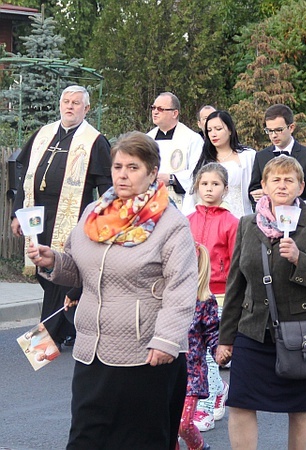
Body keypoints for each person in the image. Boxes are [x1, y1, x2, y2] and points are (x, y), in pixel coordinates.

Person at [27, 131, 198, 449]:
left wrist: (165, 340)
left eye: (133, 167)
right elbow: (77, 269)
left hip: (146, 355)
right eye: (118, 166)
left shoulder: (171, 223)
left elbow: (181, 287)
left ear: (151, 172)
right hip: (92, 350)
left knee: (142, 440)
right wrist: (53, 261)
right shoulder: (95, 212)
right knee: (85, 438)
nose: (123, 174)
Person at [217, 155, 306, 450]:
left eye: (289, 180)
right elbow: (236, 284)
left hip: (302, 334)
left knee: (299, 409)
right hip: (254, 330)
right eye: (275, 179)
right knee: (240, 405)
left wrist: (301, 260)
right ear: (263, 185)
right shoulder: (248, 224)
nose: (282, 185)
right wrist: (226, 339)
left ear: (301, 187)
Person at [11, 85, 112, 347]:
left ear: (87, 108)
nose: (70, 106)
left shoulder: (94, 140)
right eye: (66, 101)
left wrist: (102, 221)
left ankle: (43, 343)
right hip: (37, 213)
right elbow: (24, 177)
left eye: (76, 103)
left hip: (71, 215)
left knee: (58, 271)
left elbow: (105, 186)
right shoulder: (44, 134)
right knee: (41, 270)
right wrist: (16, 214)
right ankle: (71, 327)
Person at [187, 163, 239, 431]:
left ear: (226, 189)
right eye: (204, 184)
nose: (209, 189)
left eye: (215, 184)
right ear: (197, 187)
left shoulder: (231, 223)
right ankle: (218, 390)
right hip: (193, 294)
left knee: (211, 353)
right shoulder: (188, 221)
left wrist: (233, 298)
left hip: (219, 296)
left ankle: (204, 408)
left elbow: (235, 263)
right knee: (195, 354)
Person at [178, 244, 219, 450]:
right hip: (165, 371)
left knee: (184, 425)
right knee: (166, 426)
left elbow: (213, 333)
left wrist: (223, 351)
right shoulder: (164, 298)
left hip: (192, 374)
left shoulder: (204, 301)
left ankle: (200, 447)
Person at [248, 104, 306, 210]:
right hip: (269, 219)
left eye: (278, 130)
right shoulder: (261, 156)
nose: (274, 135)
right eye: (269, 131)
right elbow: (253, 191)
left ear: (291, 127)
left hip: (301, 219)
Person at [185, 110, 255, 217]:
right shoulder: (202, 159)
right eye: (209, 130)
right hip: (210, 218)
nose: (213, 134)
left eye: (218, 129)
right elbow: (192, 195)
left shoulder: (248, 156)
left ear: (230, 130)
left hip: (240, 216)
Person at [147, 92, 204, 207]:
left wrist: (171, 178)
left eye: (160, 109)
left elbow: (198, 173)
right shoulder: (147, 139)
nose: (155, 111)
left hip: (181, 202)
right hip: (151, 200)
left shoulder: (192, 139)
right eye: (153, 108)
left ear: (175, 113)